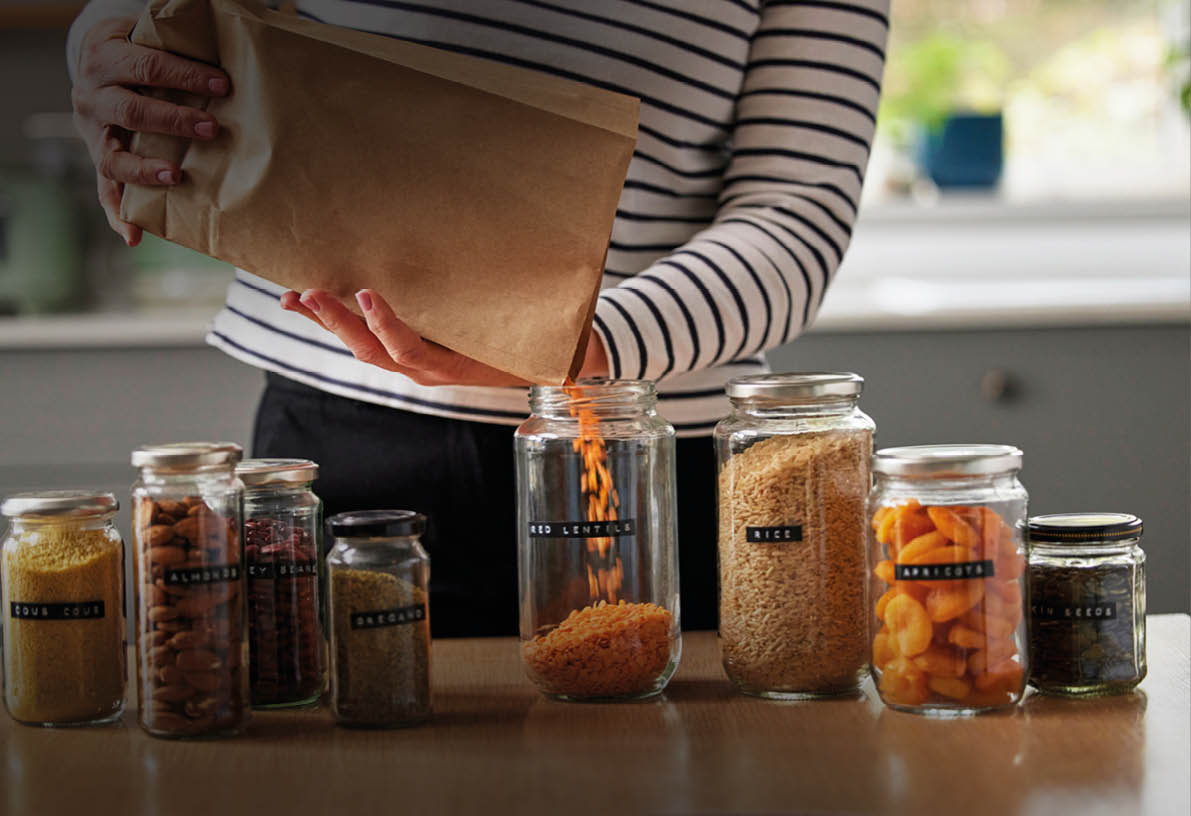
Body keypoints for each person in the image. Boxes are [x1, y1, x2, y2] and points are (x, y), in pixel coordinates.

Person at [68, 0, 890, 636]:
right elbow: (167, 27)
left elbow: (795, 211)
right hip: (345, 434)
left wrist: (574, 345)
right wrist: (104, 47)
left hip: (638, 444)